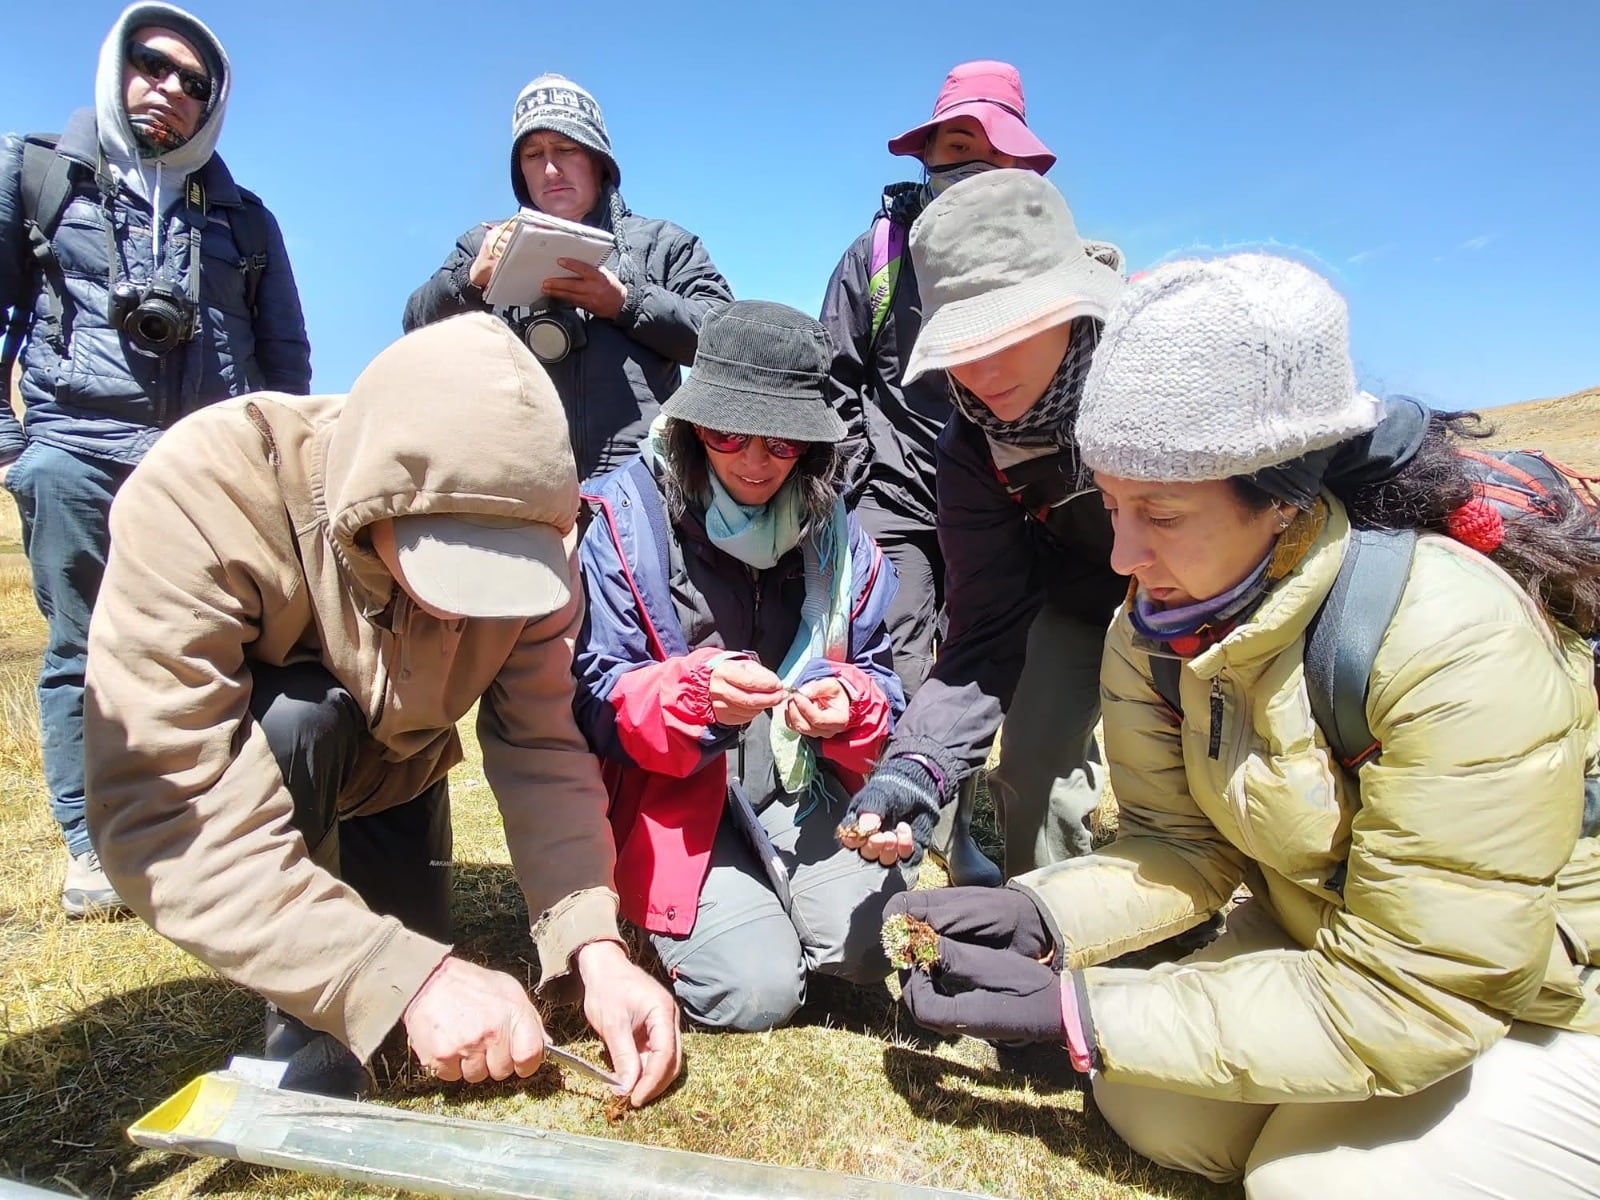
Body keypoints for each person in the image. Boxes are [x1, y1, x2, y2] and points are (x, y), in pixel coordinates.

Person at [886, 254, 1600, 1197]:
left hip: (1543, 996)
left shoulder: (1445, 636)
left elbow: (1427, 986)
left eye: (1162, 514)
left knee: (1311, 1182)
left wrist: (1077, 1014)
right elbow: (1177, 844)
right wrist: (1041, 913)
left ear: (1285, 499)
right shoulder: (1158, 624)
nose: (1125, 555)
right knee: (1150, 1107)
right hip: (1334, 938)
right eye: (1108, 505)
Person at [82, 314, 680, 1105]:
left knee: (416, 982)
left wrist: (594, 945)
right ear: (370, 502)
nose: (473, 616)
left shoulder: (542, 540)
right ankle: (300, 1012)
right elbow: (162, 807)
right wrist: (382, 975)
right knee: (302, 722)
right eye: (458, 564)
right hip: (269, 780)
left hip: (400, 775)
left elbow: (542, 747)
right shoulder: (207, 493)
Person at [0, 2, 311, 917]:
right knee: (84, 650)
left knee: (222, 651)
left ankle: (209, 830)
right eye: (151, 64)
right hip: (75, 452)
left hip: (201, 469)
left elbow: (284, 357)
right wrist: (16, 448)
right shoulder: (33, 176)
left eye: (193, 82)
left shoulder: (245, 220)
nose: (167, 89)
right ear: (117, 65)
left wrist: (281, 471)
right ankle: (90, 846)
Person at [573, 301, 910, 1031]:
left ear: (812, 447)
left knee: (877, 949)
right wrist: (692, 696)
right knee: (755, 994)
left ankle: (775, 898)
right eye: (728, 433)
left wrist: (850, 703)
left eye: (784, 442)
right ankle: (723, 916)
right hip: (672, 799)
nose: (754, 462)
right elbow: (594, 699)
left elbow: (884, 680)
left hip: (800, 784)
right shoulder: (623, 519)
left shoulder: (840, 534)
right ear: (695, 426)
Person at [837, 170, 1126, 880]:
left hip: (1231, 600)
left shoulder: (1162, 361)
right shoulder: (971, 449)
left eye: (1009, 327)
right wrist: (918, 762)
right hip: (1083, 597)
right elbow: (985, 629)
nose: (983, 369)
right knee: (1034, 767)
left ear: (1072, 304)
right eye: (960, 340)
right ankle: (1049, 944)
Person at [820, 61, 1058, 885]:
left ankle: (1038, 874)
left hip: (1023, 502)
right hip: (902, 499)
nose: (960, 168)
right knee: (912, 665)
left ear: (1017, 169)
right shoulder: (878, 255)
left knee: (1021, 669)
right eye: (950, 148)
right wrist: (860, 478)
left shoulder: (1043, 255)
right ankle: (922, 836)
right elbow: (835, 373)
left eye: (983, 151)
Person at [403, 73, 732, 481]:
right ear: (519, 170)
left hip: (642, 490)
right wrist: (471, 282)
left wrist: (625, 304)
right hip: (517, 490)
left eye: (566, 148)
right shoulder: (482, 244)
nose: (551, 169)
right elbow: (414, 327)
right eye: (533, 154)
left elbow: (726, 340)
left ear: (598, 159)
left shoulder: (664, 243)